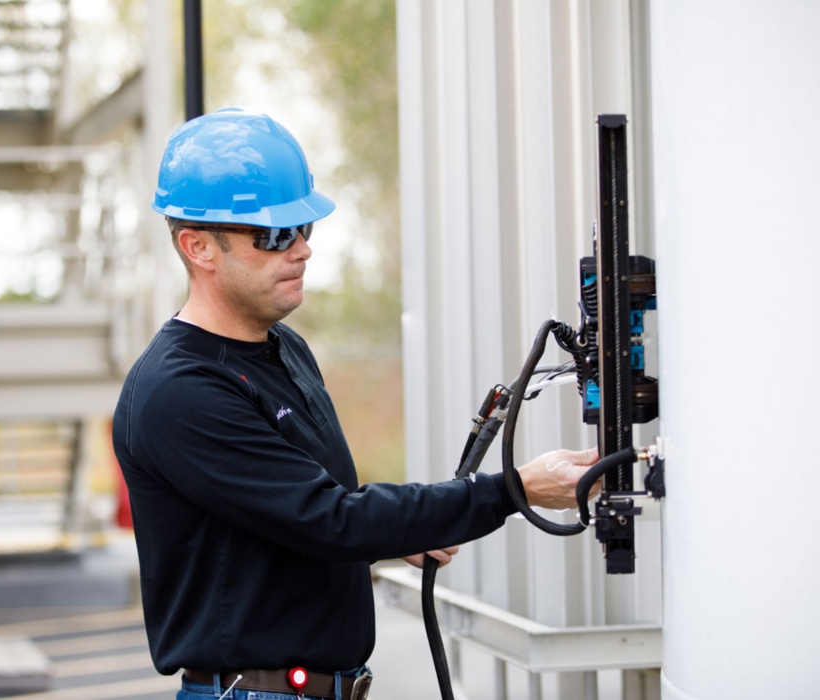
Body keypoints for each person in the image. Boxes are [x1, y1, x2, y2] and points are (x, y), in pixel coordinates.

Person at [112, 107, 599, 700]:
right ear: (198, 248)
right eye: (273, 236)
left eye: (304, 230)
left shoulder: (284, 348)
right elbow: (330, 519)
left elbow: (307, 508)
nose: (301, 251)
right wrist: (515, 489)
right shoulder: (179, 391)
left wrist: (393, 533)